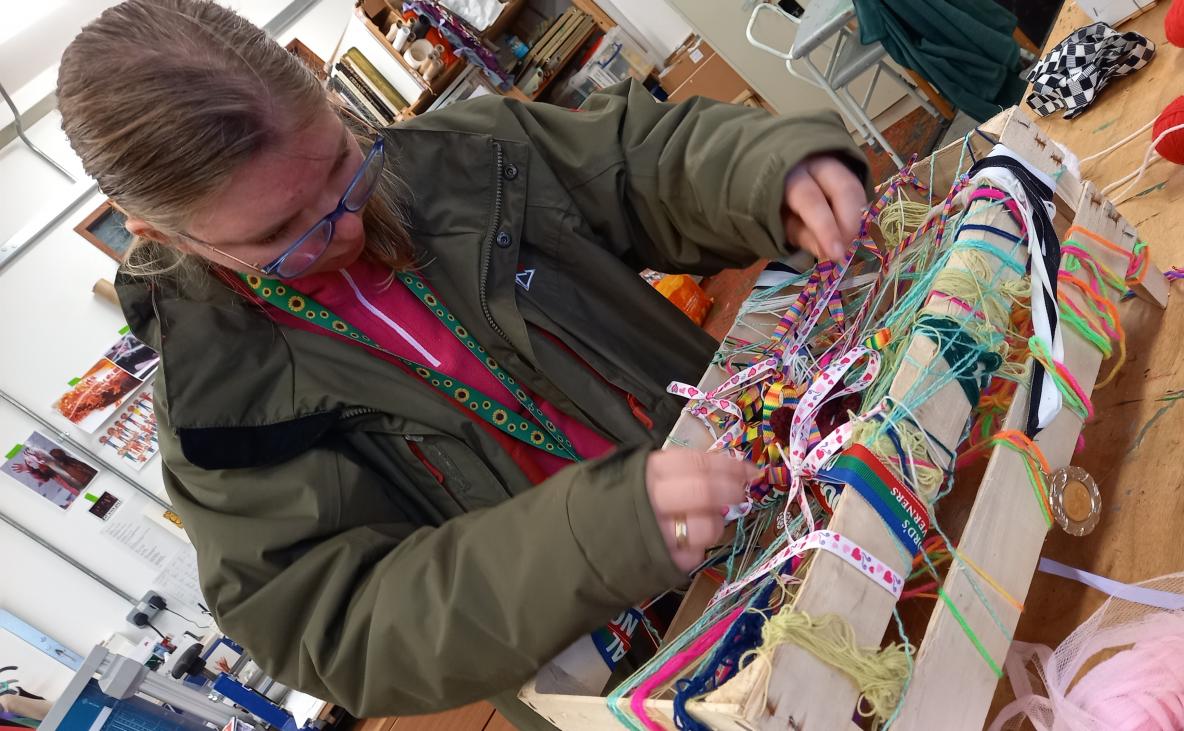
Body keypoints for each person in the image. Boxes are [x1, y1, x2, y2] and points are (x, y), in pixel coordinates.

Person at [57, 1, 870, 727]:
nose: (341, 227)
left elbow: (641, 164)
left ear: (328, 95)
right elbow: (343, 626)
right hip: (642, 678)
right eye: (280, 236)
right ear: (162, 238)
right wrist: (591, 538)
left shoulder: (469, 153)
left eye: (344, 166)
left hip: (793, 502)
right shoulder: (217, 420)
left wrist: (768, 172)